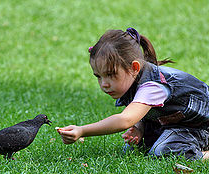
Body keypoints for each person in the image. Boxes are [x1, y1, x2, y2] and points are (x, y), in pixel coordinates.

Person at [57, 27, 209, 160]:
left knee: (162, 152)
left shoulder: (153, 86)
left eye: (111, 74)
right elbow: (144, 111)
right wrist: (139, 127)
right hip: (173, 123)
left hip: (201, 127)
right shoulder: (133, 80)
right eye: (99, 76)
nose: (104, 83)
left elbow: (125, 120)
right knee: (133, 149)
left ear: (134, 68)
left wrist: (82, 130)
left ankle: (203, 156)